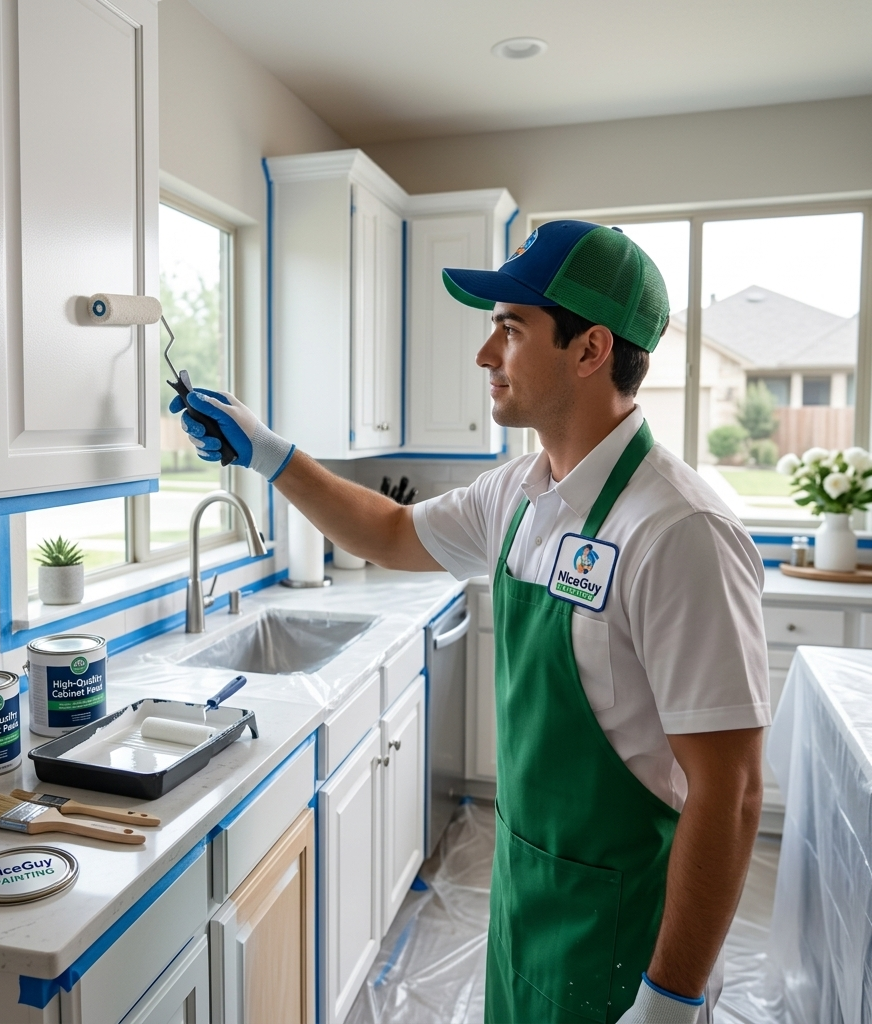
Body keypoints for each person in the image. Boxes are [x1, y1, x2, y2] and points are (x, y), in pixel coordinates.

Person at [170, 219, 769, 1024]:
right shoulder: (518, 494)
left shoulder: (678, 531)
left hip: (628, 935)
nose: (487, 354)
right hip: (526, 900)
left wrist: (668, 1000)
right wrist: (270, 452)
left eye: (511, 329)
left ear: (591, 349)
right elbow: (387, 532)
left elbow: (729, 796)